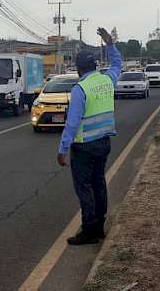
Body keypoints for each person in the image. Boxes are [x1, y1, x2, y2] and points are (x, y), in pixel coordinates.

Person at [57, 27, 122, 245]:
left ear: (78, 69)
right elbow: (117, 65)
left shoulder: (80, 89)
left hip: (84, 146)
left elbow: (72, 123)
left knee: (84, 188)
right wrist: (110, 45)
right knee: (99, 184)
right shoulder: (107, 80)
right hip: (103, 143)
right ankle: (99, 227)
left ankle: (89, 230)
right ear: (95, 66)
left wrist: (62, 150)